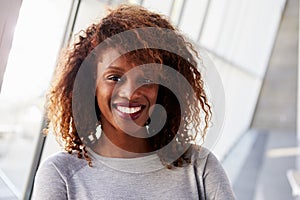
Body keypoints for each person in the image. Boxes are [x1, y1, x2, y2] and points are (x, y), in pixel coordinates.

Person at [32, 4, 236, 200]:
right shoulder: (61, 173)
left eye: (146, 79)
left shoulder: (198, 166)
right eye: (114, 77)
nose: (130, 93)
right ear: (90, 85)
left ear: (162, 89)